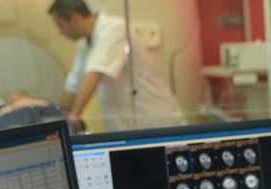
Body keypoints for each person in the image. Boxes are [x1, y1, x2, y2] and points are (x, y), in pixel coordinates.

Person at [48, 0, 185, 131]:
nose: (59, 32)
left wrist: (73, 117)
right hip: (127, 125)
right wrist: (56, 116)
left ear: (75, 18)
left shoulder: (115, 29)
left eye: (60, 25)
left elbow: (94, 74)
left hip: (155, 120)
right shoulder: (86, 44)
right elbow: (73, 85)